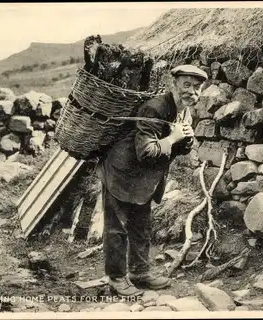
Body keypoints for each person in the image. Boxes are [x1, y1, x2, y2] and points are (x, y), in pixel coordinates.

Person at [96, 64, 208, 296]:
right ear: (173, 84)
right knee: (117, 228)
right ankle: (117, 279)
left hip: (144, 179)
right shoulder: (154, 109)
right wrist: (174, 137)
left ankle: (139, 272)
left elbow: (178, 148)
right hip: (121, 173)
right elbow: (146, 151)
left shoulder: (184, 111)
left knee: (141, 226)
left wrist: (185, 140)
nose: (192, 92)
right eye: (186, 85)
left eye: (197, 87)